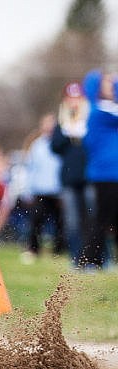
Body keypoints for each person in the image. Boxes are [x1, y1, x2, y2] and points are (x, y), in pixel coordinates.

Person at [50, 81, 91, 267]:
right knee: (72, 222)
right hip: (69, 179)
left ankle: (96, 258)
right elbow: (54, 147)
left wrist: (83, 134)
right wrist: (66, 133)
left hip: (89, 177)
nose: (74, 101)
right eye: (70, 97)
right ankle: (77, 259)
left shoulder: (90, 119)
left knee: (92, 218)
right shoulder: (61, 122)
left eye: (77, 97)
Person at [82, 69, 118, 269]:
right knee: (102, 219)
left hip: (112, 174)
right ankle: (90, 260)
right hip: (106, 175)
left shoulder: (109, 110)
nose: (111, 85)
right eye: (107, 83)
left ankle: (100, 260)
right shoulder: (97, 112)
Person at [20, 113, 65, 263]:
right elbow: (31, 169)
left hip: (57, 190)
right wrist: (28, 190)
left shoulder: (62, 144)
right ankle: (33, 249)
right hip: (39, 190)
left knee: (60, 223)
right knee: (36, 221)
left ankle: (58, 251)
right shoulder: (37, 145)